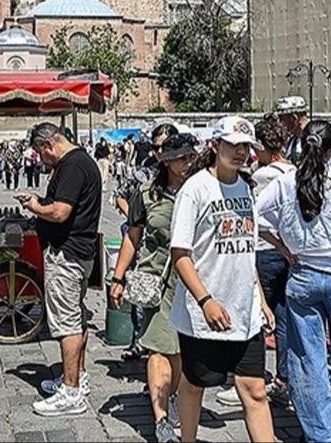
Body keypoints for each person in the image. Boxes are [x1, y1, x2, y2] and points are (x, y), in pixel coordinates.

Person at [258, 120, 331, 442]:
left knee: (308, 362)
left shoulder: (284, 183)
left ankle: (319, 435)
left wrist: (283, 246)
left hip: (303, 275)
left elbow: (254, 217)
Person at [168, 116, 275, 443]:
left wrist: (262, 301)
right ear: (215, 145)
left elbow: (246, 251)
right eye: (233, 145)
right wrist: (206, 300)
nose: (241, 152)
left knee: (254, 389)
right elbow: (180, 253)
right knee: (196, 383)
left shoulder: (247, 187)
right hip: (204, 314)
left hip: (245, 313)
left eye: (246, 146)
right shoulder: (195, 189)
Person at [108, 133, 199, 442]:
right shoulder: (147, 193)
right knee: (159, 346)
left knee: (179, 351)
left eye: (191, 156)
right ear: (166, 160)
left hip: (195, 282)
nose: (188, 162)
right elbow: (132, 237)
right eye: (181, 157)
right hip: (158, 280)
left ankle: (172, 396)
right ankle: (161, 418)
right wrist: (118, 277)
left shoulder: (203, 190)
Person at [19, 122, 102, 417]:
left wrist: (34, 206)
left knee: (66, 323)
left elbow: (60, 212)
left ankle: (71, 391)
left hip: (67, 254)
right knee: (76, 318)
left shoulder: (72, 166)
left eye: (41, 154)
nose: (42, 160)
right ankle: (77, 377)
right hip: (79, 252)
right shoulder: (81, 162)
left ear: (48, 145)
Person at [217, 115, 295, 411]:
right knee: (283, 318)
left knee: (255, 317)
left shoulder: (261, 177)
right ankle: (284, 378)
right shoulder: (294, 171)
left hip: (262, 251)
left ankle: (249, 379)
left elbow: (253, 220)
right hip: (288, 254)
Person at [275, 96, 309, 163]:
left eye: (282, 119)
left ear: (293, 118)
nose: (280, 123)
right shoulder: (292, 141)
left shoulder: (314, 136)